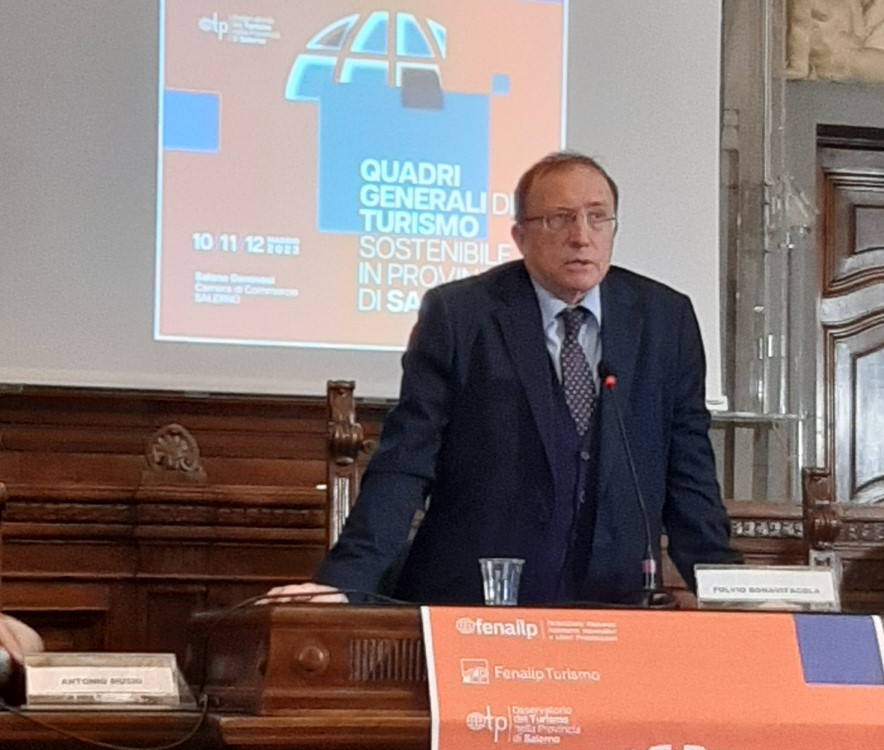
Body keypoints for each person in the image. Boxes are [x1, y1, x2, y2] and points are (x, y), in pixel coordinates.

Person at [275, 151, 736, 607]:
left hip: (613, 604)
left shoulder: (664, 320)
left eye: (598, 217)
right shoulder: (461, 316)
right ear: (520, 236)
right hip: (476, 604)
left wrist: (730, 591)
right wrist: (345, 580)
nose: (581, 236)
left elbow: (689, 473)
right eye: (559, 219)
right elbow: (406, 462)